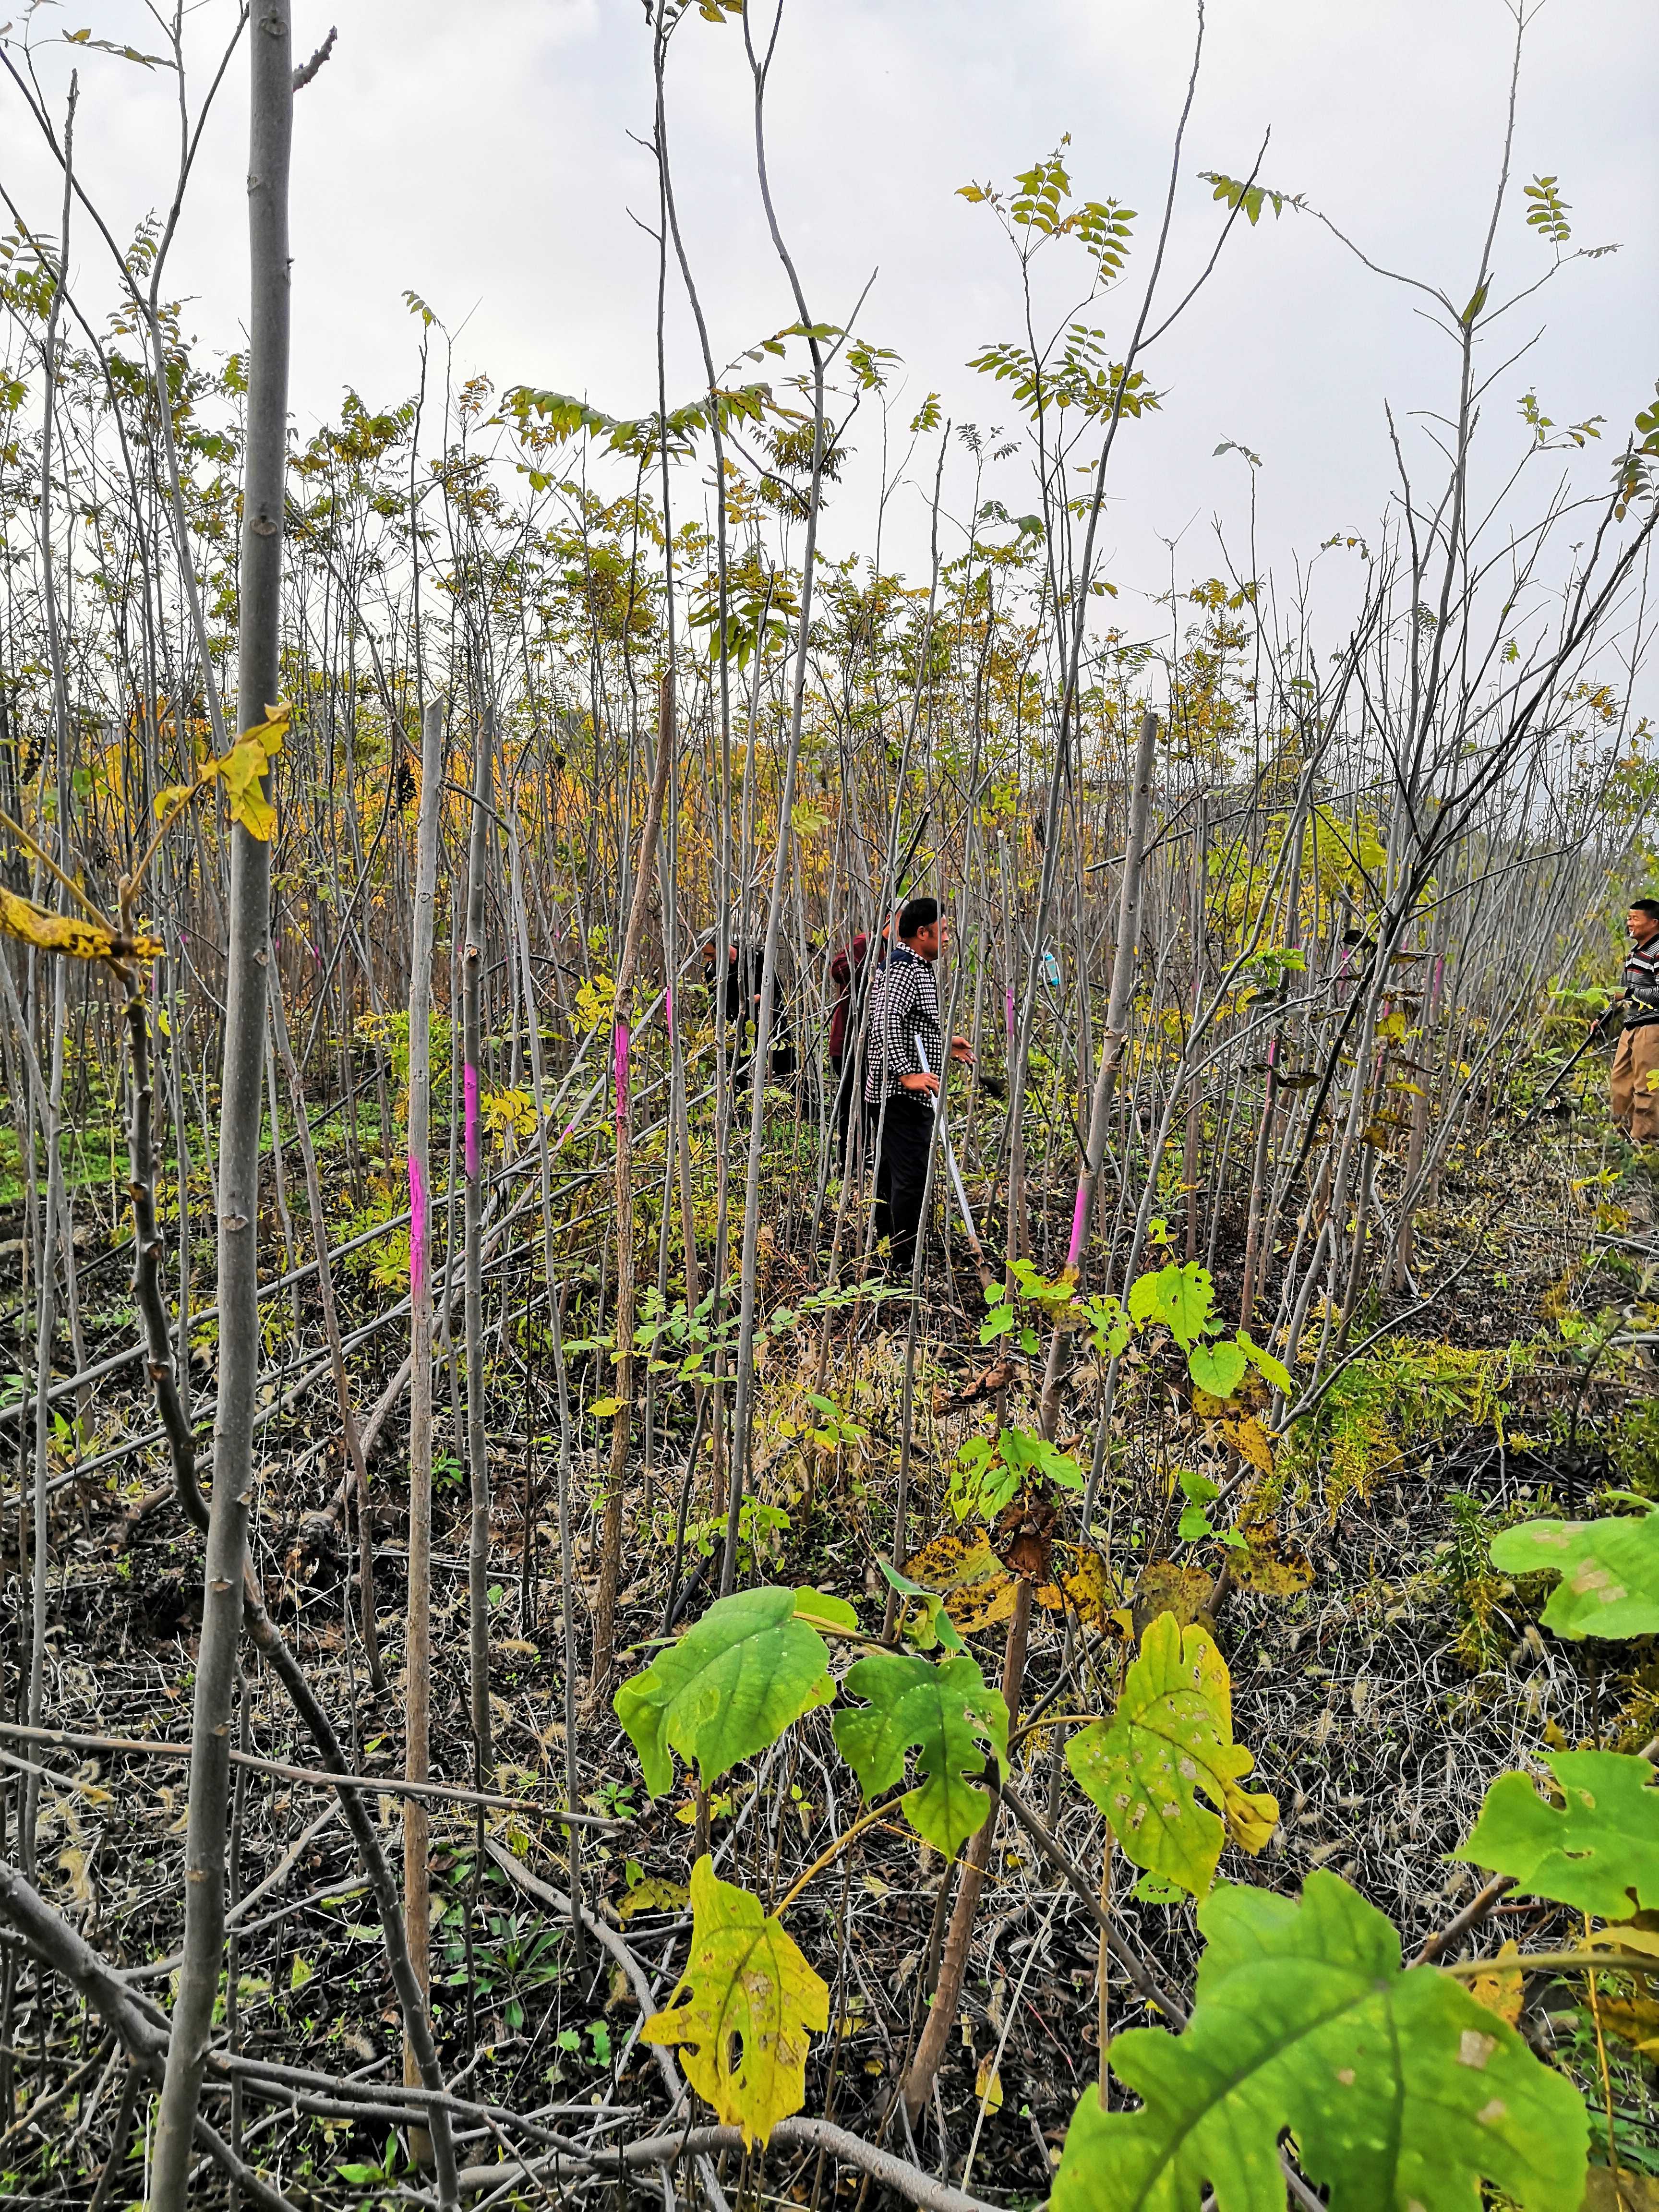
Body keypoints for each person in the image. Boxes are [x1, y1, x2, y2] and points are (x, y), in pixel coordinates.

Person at [863, 896, 973, 1275]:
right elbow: (886, 1021)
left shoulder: (913, 965)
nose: (946, 939)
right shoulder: (903, 969)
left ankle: (885, 1246)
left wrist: (945, 1044)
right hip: (899, 1092)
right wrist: (905, 1074)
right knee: (910, 1176)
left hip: (901, 1087)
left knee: (893, 1172)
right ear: (921, 933)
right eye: (942, 932)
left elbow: (913, 1027)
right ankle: (901, 1262)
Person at [1610, 899, 1659, 1143]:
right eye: (1629, 918)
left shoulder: (1658, 951)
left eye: (1635, 919)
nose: (1629, 923)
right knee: (1620, 1083)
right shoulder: (1633, 954)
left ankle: (1645, 1144)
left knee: (1647, 1088)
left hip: (1652, 1027)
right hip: (1631, 1025)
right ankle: (1622, 1139)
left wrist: (1628, 995)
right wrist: (1605, 1016)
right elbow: (1621, 990)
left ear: (1653, 923)